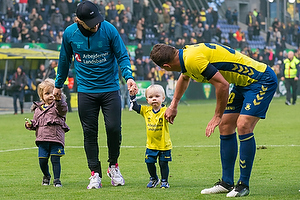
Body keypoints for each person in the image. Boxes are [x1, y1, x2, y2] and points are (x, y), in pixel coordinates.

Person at [150, 43, 278, 197]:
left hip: (260, 80)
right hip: (242, 83)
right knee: (225, 126)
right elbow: (184, 78)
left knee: (243, 125)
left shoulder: (192, 59)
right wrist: (174, 105)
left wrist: (217, 115)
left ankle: (243, 184)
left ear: (166, 65)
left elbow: (223, 85)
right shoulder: (186, 55)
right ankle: (226, 183)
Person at [53, 1, 138, 189]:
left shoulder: (108, 29)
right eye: (91, 21)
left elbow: (122, 56)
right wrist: (58, 85)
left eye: (97, 19)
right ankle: (95, 173)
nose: (96, 24)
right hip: (86, 91)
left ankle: (113, 166)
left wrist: (128, 77)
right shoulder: (69, 34)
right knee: (89, 133)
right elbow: (64, 61)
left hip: (110, 88)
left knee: (114, 128)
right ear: (79, 21)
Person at [25, 78, 70, 187]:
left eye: (52, 93)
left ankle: (57, 180)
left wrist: (59, 100)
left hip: (55, 139)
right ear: (42, 96)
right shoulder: (38, 109)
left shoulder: (58, 106)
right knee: (42, 161)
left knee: (55, 160)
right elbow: (36, 123)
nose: (50, 96)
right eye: (47, 93)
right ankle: (46, 175)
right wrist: (30, 125)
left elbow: (63, 109)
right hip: (42, 140)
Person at [129, 84, 172, 189]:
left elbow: (172, 114)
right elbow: (134, 107)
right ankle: (154, 178)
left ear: (163, 98)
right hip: (151, 145)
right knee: (149, 162)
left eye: (157, 96)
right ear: (147, 99)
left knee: (163, 163)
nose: (154, 99)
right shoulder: (145, 110)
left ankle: (164, 181)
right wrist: (132, 96)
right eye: (151, 97)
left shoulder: (166, 111)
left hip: (164, 144)